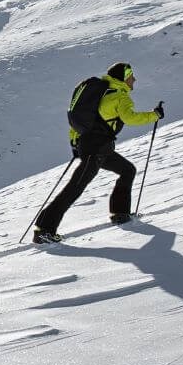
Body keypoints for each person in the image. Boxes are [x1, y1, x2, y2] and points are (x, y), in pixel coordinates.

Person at [32, 63, 164, 244]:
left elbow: (81, 122)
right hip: (97, 150)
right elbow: (130, 118)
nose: (134, 79)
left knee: (127, 170)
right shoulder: (119, 96)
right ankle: (44, 230)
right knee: (74, 188)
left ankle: (120, 214)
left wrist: (75, 143)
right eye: (131, 76)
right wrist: (154, 115)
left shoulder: (102, 94)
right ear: (123, 78)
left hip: (98, 148)